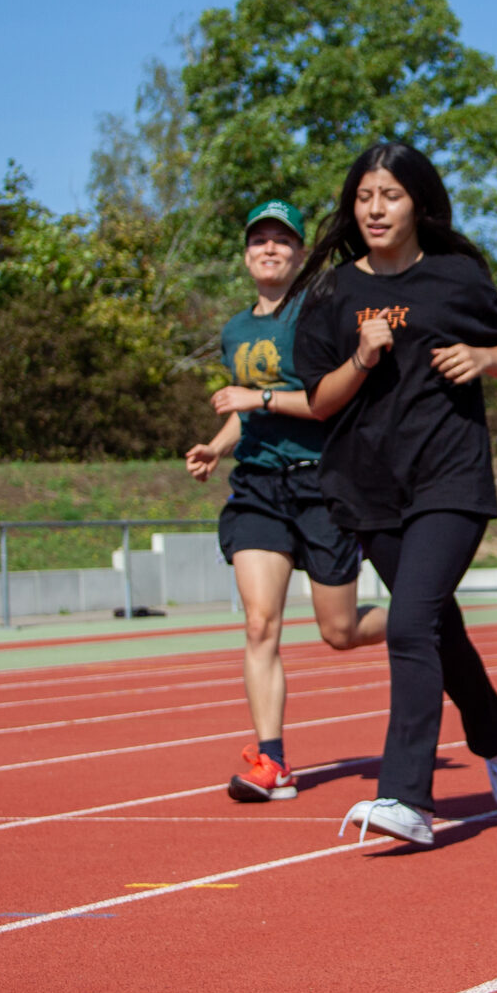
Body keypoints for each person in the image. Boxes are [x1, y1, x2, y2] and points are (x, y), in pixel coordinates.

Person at [292, 143, 497, 848]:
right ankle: (495, 728)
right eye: (364, 195)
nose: (374, 208)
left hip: (450, 477)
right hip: (371, 484)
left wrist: (483, 358)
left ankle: (405, 797)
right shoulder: (333, 294)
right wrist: (362, 357)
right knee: (437, 627)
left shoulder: (456, 276)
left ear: (417, 204)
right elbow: (318, 401)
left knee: (408, 622)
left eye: (390, 195)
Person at [186, 199, 390, 802]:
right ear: (246, 255)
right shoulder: (236, 330)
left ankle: (424, 619)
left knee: (338, 632)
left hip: (321, 481)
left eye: (281, 241)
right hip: (258, 488)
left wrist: (256, 402)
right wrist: (219, 447)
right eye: (258, 242)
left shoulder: (318, 314)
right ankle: (271, 762)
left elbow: (324, 402)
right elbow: (245, 411)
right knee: (258, 624)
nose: (269, 250)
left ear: (301, 253)